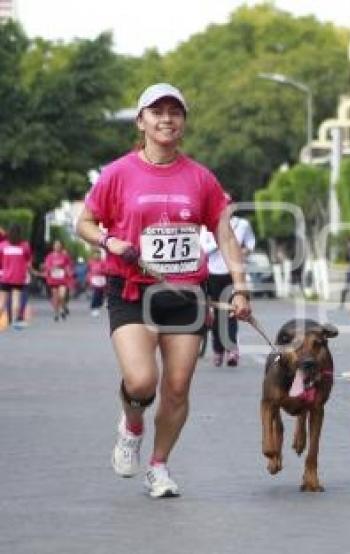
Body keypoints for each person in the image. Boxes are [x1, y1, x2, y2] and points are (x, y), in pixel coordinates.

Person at [75, 82, 252, 498]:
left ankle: (159, 465)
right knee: (140, 382)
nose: (166, 118)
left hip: (186, 293)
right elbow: (83, 223)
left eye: (175, 112)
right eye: (157, 112)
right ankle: (132, 425)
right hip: (132, 289)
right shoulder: (117, 173)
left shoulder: (202, 178)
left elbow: (225, 236)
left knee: (177, 386)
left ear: (184, 123)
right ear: (142, 121)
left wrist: (240, 289)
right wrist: (107, 241)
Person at [200, 210, 256, 367]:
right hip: (211, 273)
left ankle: (232, 350)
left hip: (231, 274)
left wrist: (240, 252)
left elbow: (251, 243)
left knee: (232, 313)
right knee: (216, 315)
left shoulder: (242, 224)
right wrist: (220, 245)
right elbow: (202, 249)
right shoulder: (205, 226)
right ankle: (218, 350)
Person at [0, 224, 34, 330]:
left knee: (2, 301)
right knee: (16, 299)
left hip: (5, 276)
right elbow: (28, 259)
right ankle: (14, 322)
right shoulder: (24, 246)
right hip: (19, 277)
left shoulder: (3, 245)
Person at [42, 240, 74, 322]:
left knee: (62, 296)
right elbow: (46, 266)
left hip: (63, 280)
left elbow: (69, 265)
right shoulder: (49, 256)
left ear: (61, 246)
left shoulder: (65, 256)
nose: (57, 247)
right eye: (56, 245)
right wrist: (51, 268)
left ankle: (63, 308)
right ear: (53, 246)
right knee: (55, 298)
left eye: (59, 245)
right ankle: (56, 313)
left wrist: (68, 271)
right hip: (53, 280)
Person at [87, 249, 108, 317]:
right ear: (93, 255)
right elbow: (88, 271)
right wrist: (89, 279)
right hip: (94, 279)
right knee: (96, 293)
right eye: (95, 254)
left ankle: (98, 305)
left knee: (101, 294)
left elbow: (106, 270)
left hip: (101, 279)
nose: (97, 256)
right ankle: (94, 307)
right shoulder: (91, 262)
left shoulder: (103, 262)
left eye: (98, 254)